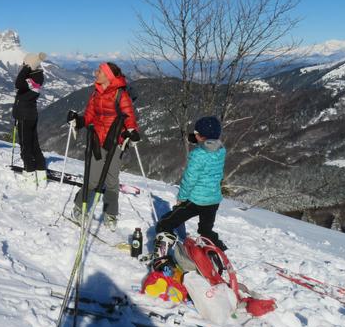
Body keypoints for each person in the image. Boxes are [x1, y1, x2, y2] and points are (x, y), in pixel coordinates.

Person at [67, 62, 140, 231]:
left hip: (116, 143)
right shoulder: (96, 94)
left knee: (112, 181)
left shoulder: (121, 96)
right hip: (98, 142)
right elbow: (89, 116)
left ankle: (110, 213)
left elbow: (129, 118)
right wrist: (78, 120)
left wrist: (132, 132)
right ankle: (79, 208)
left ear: (108, 75)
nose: (95, 73)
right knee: (92, 179)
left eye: (99, 71)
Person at [154, 116, 227, 257]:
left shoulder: (197, 155)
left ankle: (163, 250)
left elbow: (189, 179)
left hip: (195, 201)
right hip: (213, 201)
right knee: (206, 231)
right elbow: (209, 150)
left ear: (201, 136)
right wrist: (201, 140)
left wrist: (182, 198)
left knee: (164, 223)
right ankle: (217, 250)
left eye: (196, 133)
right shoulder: (221, 151)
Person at [13, 52, 48, 186]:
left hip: (24, 116)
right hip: (31, 115)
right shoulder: (37, 78)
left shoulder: (29, 80)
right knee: (34, 145)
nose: (22, 66)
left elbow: (18, 83)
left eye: (25, 64)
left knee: (25, 147)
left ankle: (30, 175)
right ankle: (41, 173)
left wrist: (27, 68)